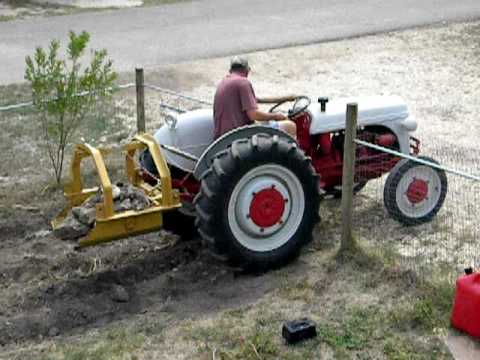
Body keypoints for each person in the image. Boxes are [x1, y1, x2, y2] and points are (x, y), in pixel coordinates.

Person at [213, 56, 297, 139]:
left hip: (224, 136)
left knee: (267, 122)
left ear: (230, 70)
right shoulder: (243, 82)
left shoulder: (224, 82)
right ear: (247, 70)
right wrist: (276, 116)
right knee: (290, 126)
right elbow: (253, 115)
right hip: (240, 134)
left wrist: (287, 98)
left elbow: (257, 100)